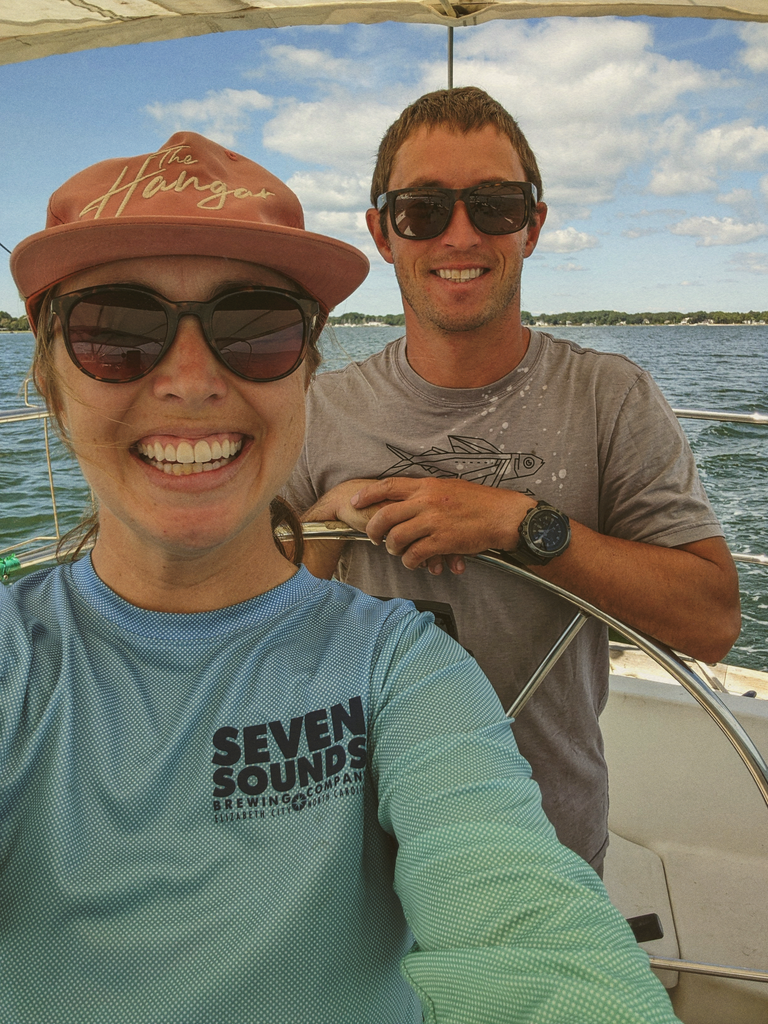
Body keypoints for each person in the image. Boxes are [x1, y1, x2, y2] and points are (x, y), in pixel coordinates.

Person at [0, 131, 682, 1024]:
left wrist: (520, 526)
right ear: (48, 383)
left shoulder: (406, 668)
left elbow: (527, 931)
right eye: (114, 332)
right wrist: (328, 525)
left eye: (256, 328)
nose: (192, 378)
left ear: (303, 377)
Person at [286, 86, 741, 874]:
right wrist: (327, 524)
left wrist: (524, 527)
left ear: (532, 225)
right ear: (382, 233)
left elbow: (711, 620)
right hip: (346, 837)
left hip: (546, 834)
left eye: (493, 205)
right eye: (421, 208)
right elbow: (257, 642)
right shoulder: (315, 410)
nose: (459, 233)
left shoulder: (609, 397)